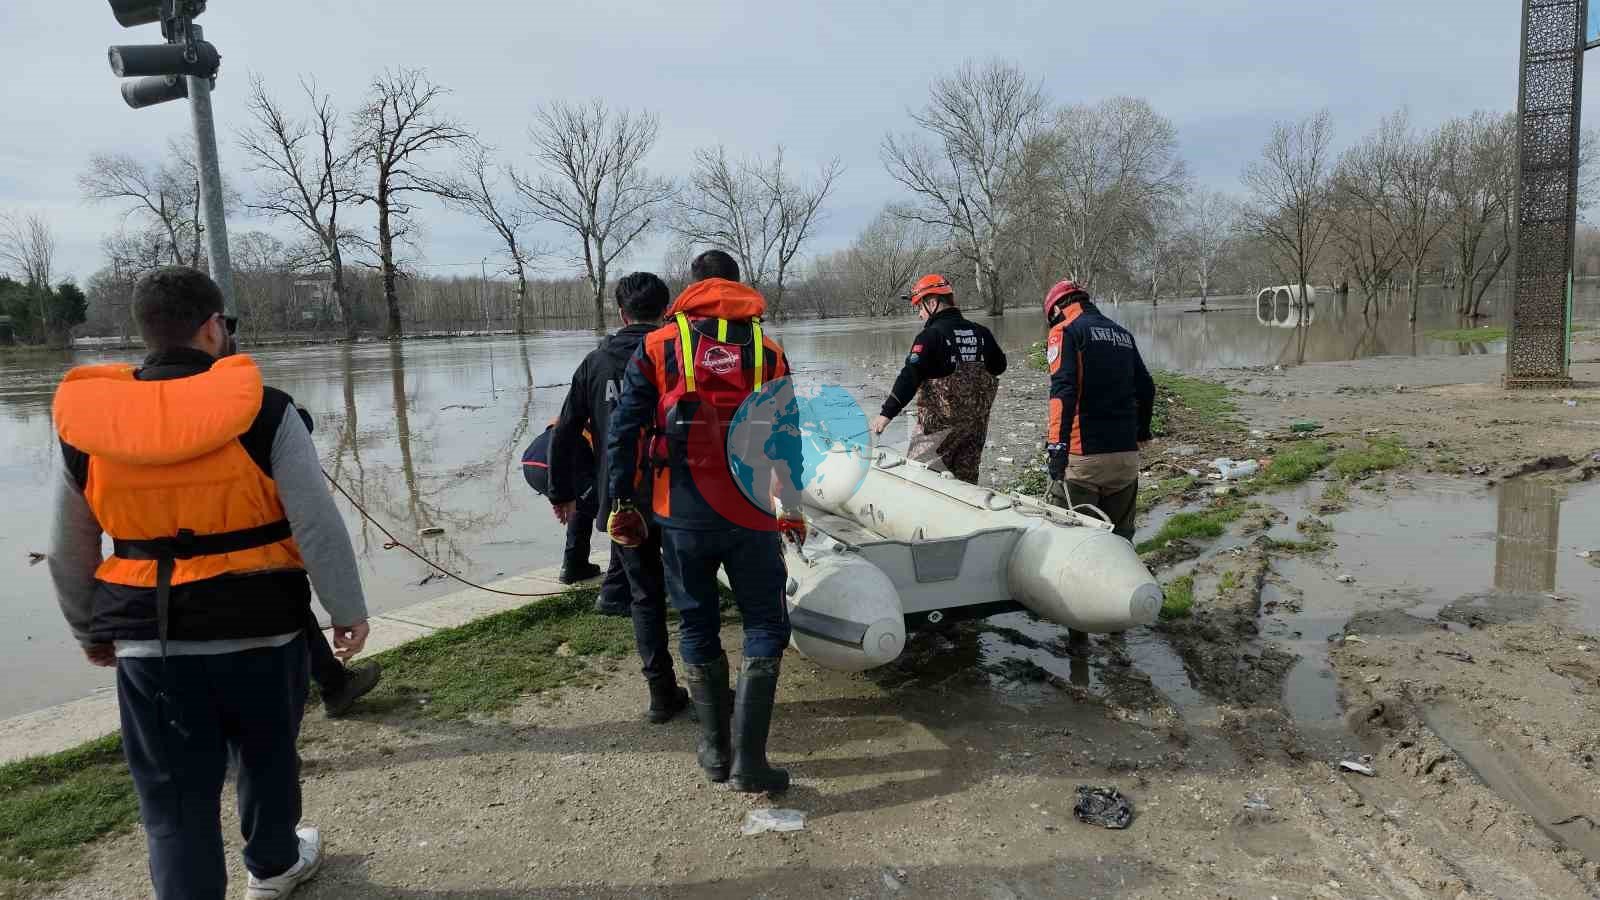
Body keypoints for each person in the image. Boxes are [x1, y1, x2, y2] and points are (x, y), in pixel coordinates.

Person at [48, 266, 370, 900]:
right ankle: (275, 866)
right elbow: (315, 521)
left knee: (171, 798)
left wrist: (90, 629)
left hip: (149, 637)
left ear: (144, 331)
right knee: (268, 756)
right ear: (214, 327)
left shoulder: (89, 422)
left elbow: (68, 548)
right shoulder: (267, 409)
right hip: (263, 627)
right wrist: (346, 608)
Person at [604, 249, 804, 794]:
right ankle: (751, 763)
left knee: (697, 624)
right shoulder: (768, 350)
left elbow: (623, 430)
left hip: (681, 515)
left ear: (690, 289)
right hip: (752, 513)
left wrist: (622, 501)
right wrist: (792, 504)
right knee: (765, 624)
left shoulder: (659, 345)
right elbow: (787, 437)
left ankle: (716, 752)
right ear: (738, 288)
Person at [546, 272, 689, 723]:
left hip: (623, 497)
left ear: (621, 313)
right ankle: (705, 684)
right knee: (691, 590)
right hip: (683, 494)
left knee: (644, 596)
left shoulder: (595, 362)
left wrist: (562, 492)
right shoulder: (684, 355)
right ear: (666, 310)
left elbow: (564, 431)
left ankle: (661, 693)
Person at [1040, 279, 1155, 541]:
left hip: (1084, 460)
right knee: (1120, 541)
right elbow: (1146, 387)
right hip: (1125, 458)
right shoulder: (1123, 334)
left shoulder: (1066, 331)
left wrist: (1057, 448)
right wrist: (1142, 432)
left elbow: (1062, 392)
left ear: (1057, 308)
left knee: (1071, 542)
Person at [868, 274, 1007, 484]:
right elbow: (999, 366)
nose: (920, 315)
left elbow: (909, 377)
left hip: (936, 433)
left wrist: (886, 414)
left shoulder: (930, 336)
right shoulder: (982, 333)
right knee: (964, 488)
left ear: (933, 303)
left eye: (920, 307)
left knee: (919, 482)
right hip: (973, 431)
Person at [521, 417, 633, 614]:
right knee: (618, 514)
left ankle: (574, 566)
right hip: (559, 464)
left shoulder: (587, 406)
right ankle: (616, 591)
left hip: (532, 461)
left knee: (580, 503)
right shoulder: (615, 419)